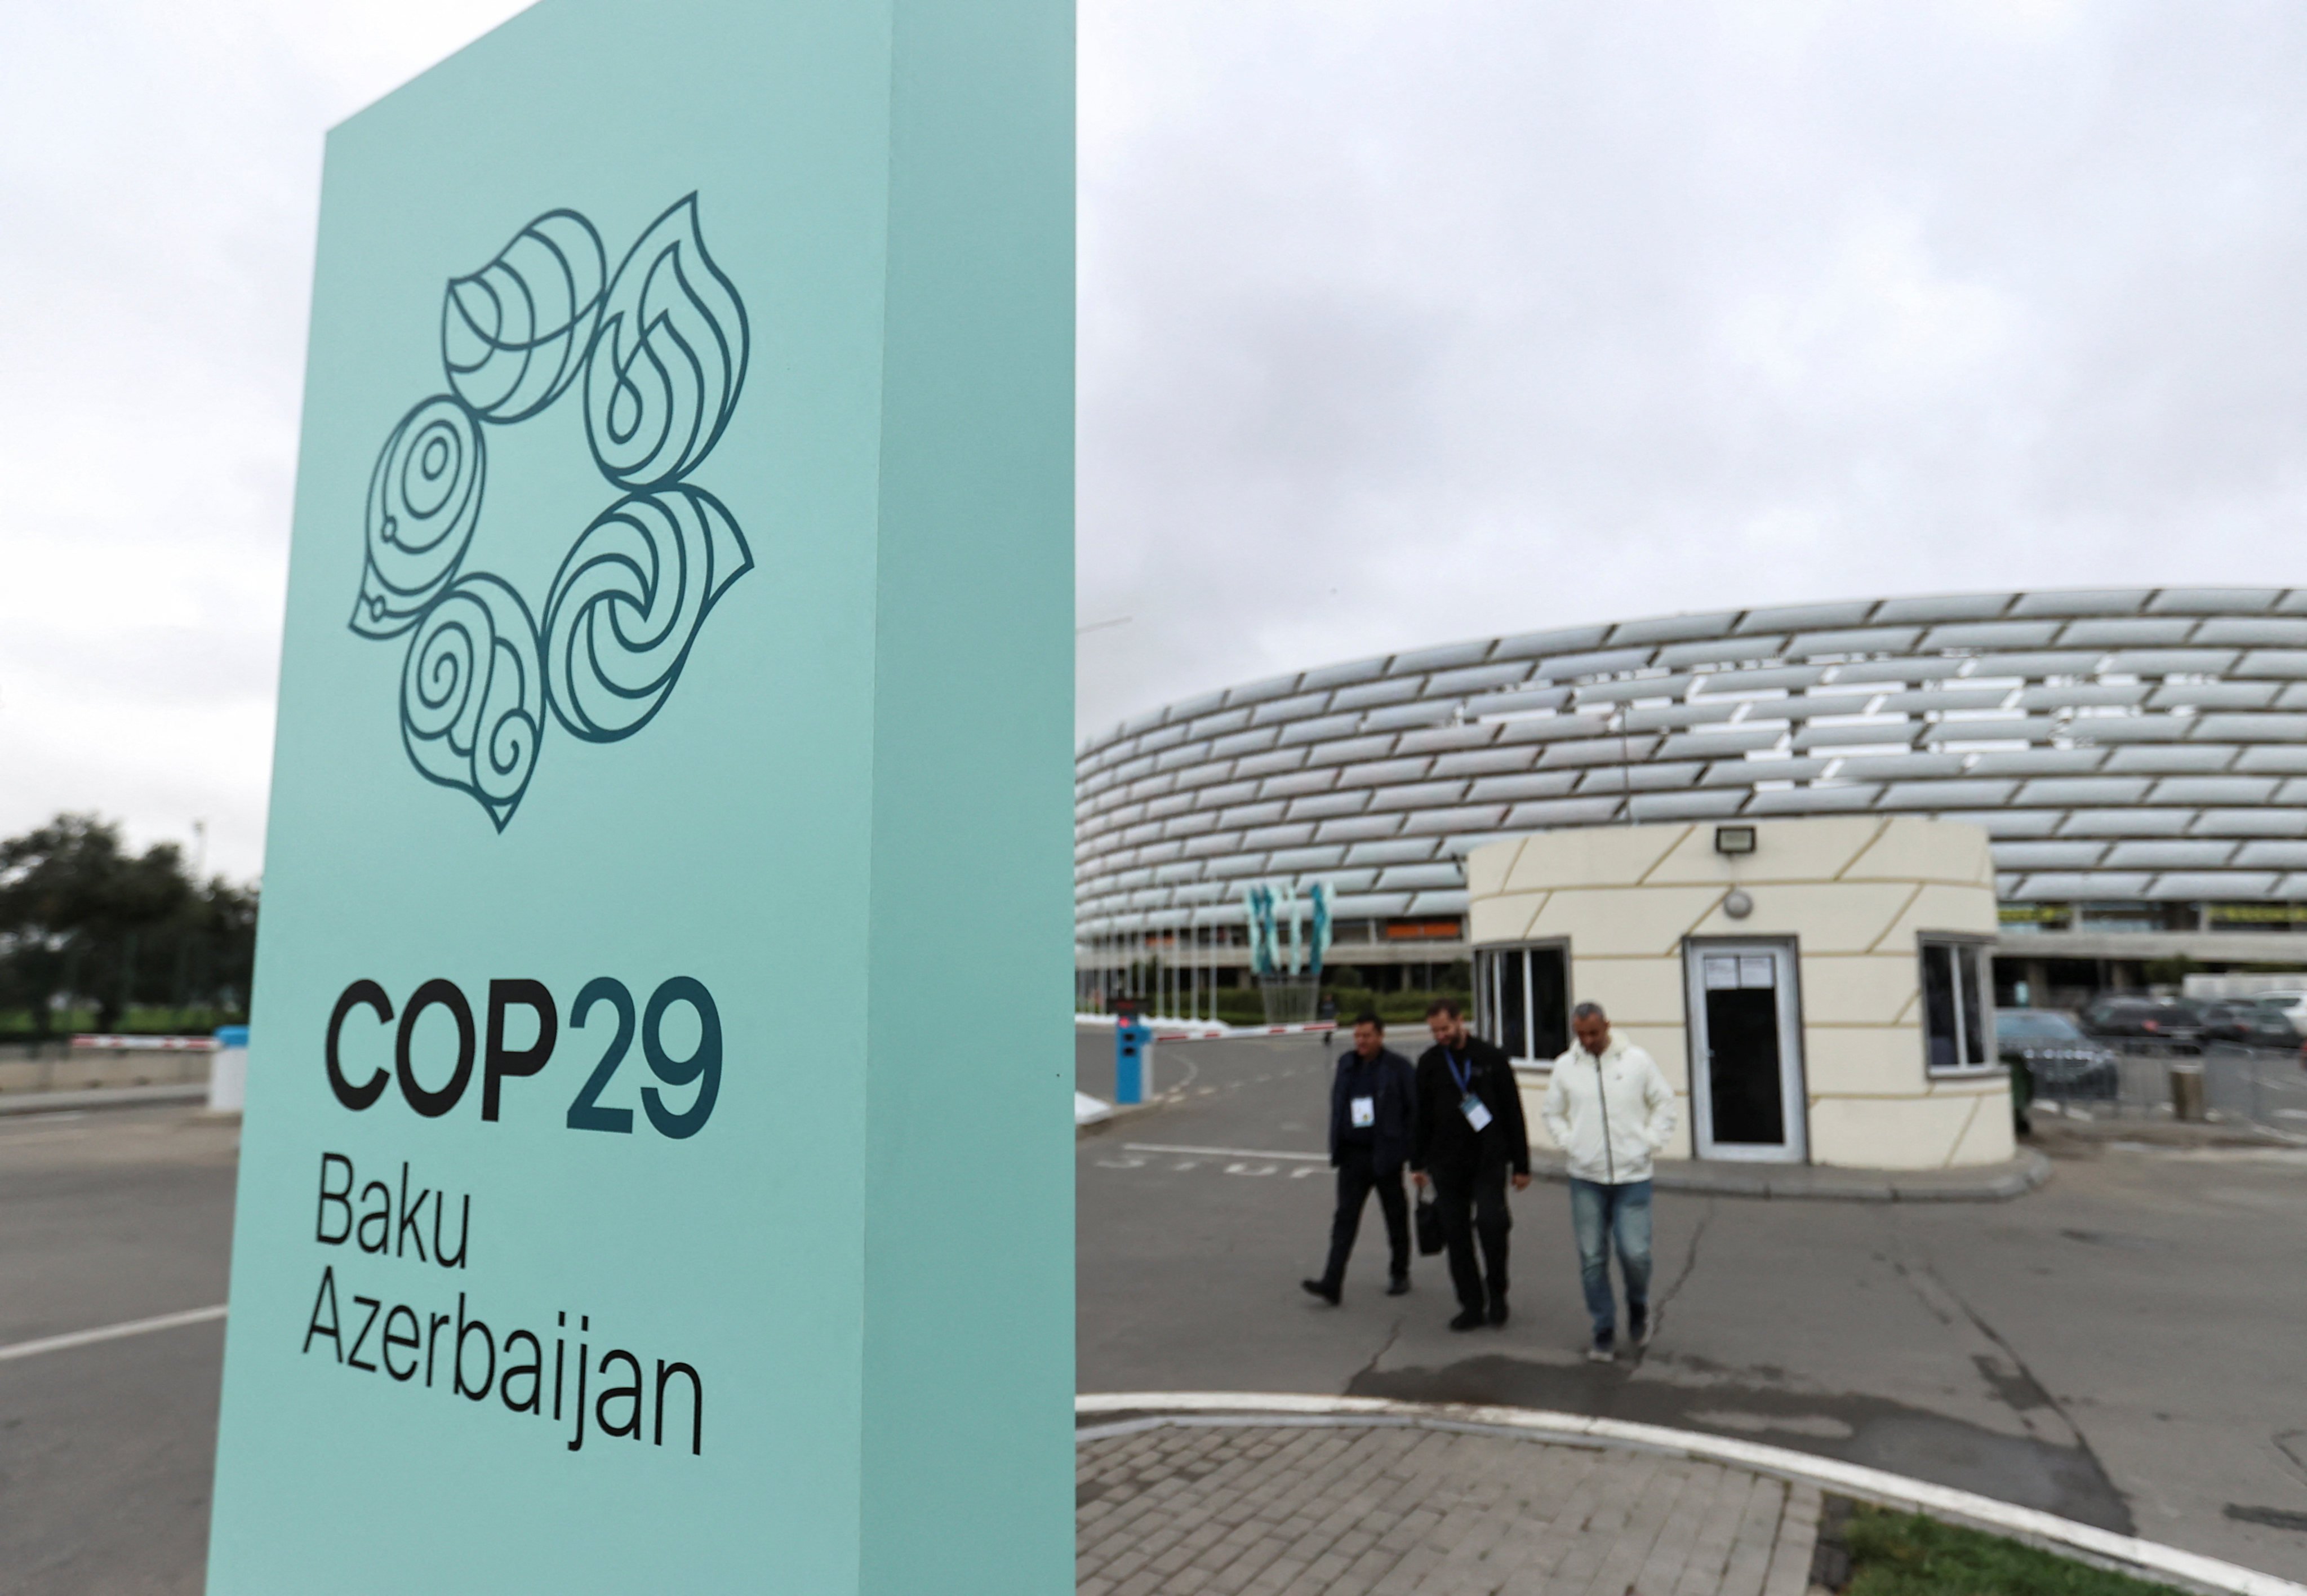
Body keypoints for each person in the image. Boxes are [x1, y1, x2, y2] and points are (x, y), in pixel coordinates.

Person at [1542, 1001, 1677, 1362]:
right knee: (1592, 1257)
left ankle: (1638, 1305)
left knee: (1635, 1253)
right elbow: (1552, 1113)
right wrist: (1571, 1144)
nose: (1587, 1040)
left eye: (1594, 1033)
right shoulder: (1565, 1067)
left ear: (1607, 1027)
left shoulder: (1636, 1061)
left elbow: (1664, 1103)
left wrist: (1648, 1143)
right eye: (1581, 1034)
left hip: (1632, 1176)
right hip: (1586, 1177)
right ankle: (1603, 1328)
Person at [1410, 998, 1530, 1331]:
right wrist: (1417, 1162)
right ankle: (1471, 1304)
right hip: (1446, 1164)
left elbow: (1512, 1111)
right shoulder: (1430, 1063)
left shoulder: (1491, 1058)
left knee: (1492, 1224)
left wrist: (1522, 1164)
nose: (1441, 1036)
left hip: (1488, 1160)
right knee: (1456, 1235)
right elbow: (1421, 1116)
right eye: (1435, 1031)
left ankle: (1498, 1292)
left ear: (1462, 1021)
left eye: (1446, 1029)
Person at [1301, 1013, 1417, 1304]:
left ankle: (1400, 1272)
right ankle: (1332, 1281)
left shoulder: (1398, 1068)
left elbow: (1414, 1112)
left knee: (1395, 1216)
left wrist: (1408, 1152)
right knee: (1345, 1219)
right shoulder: (1346, 1064)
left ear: (1380, 1036)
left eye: (1366, 1036)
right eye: (1357, 1036)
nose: (1361, 1041)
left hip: (1385, 1154)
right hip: (1353, 1155)